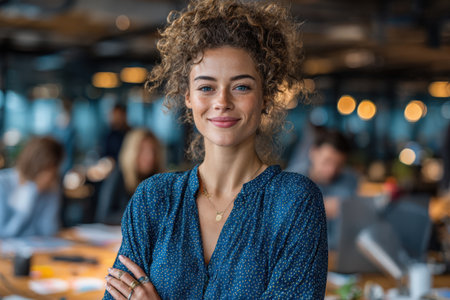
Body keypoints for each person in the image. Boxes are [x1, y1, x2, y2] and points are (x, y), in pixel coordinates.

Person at [104, 0, 328, 299]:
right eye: (206, 87)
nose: (222, 101)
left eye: (241, 87)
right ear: (187, 96)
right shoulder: (153, 199)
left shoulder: (294, 203)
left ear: (266, 97)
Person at [287, 129, 358, 249]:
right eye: (327, 161)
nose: (331, 170)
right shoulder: (290, 180)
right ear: (313, 152)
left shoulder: (350, 180)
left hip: (338, 254)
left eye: (339, 165)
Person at [96, 128, 164, 224]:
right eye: (142, 150)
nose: (150, 157)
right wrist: (140, 215)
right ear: (132, 153)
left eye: (152, 150)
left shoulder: (159, 180)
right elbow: (103, 216)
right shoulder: (118, 175)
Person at [0, 136, 64, 238]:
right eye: (49, 169)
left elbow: (50, 231)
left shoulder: (49, 188)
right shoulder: (2, 183)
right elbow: (5, 234)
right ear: (37, 165)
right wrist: (29, 194)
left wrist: (53, 195)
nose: (52, 176)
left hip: (37, 251)